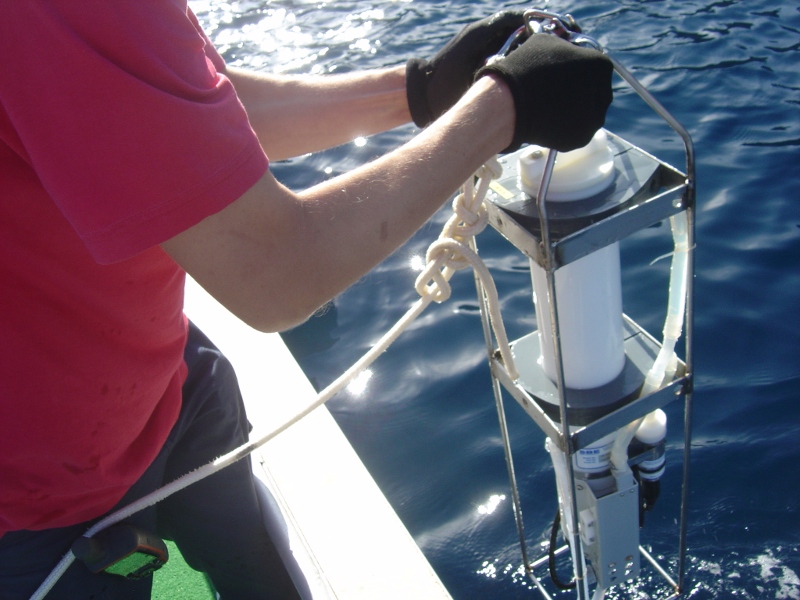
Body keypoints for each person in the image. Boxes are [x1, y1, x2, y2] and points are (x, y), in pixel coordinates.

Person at [0, 2, 612, 599]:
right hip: (43, 483)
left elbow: (178, 104)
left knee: (260, 569)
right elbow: (274, 273)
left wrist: (419, 92)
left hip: (169, 379)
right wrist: (501, 109)